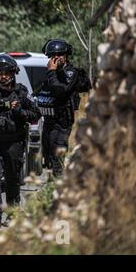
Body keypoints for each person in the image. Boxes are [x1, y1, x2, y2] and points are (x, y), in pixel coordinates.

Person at [0, 54, 41, 227]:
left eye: (6, 73)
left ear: (12, 73)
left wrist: (20, 111)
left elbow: (36, 115)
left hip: (14, 143)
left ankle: (12, 214)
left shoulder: (22, 93)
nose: (3, 76)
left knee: (12, 180)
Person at [37, 39, 91, 178]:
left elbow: (60, 91)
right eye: (53, 55)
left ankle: (59, 185)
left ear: (66, 55)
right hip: (49, 120)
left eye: (60, 54)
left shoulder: (71, 73)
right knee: (48, 155)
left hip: (62, 121)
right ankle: (51, 185)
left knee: (57, 155)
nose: (56, 58)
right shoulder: (51, 73)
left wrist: (52, 72)